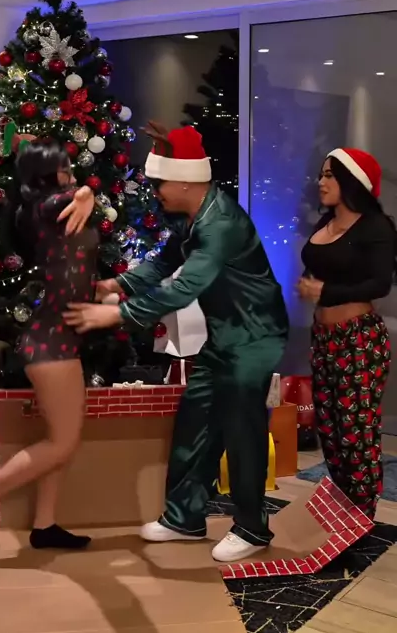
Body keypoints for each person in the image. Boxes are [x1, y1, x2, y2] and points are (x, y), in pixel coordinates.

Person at [63, 123, 289, 563]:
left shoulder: (220, 224)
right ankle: (184, 517)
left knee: (241, 428)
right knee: (195, 419)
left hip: (255, 337)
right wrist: (116, 285)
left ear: (186, 181)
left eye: (160, 183)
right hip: (225, 335)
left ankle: (252, 527)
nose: (155, 192)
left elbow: (185, 287)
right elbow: (164, 263)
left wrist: (118, 314)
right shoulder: (190, 219)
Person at [0, 140, 98, 549]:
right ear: (47, 174)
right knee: (62, 441)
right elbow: (76, 195)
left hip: (56, 339)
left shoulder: (44, 207)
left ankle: (45, 525)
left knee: (61, 439)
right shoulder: (48, 205)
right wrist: (85, 193)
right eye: (64, 166)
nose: (71, 171)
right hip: (51, 343)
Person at [298, 147, 395, 520]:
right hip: (324, 337)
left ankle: (362, 515)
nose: (321, 182)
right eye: (321, 174)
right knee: (330, 429)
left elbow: (379, 284)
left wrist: (326, 292)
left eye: (330, 175)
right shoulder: (324, 223)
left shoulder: (375, 226)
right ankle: (342, 513)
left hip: (358, 339)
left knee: (356, 432)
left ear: (351, 182)